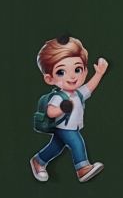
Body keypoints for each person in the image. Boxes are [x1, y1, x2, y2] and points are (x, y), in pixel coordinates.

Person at [29, 36, 109, 182]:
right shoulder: (59, 97)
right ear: (49, 79)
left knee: (56, 147)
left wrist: (99, 73)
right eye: (61, 72)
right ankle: (82, 168)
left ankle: (38, 161)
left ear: (85, 71)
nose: (72, 77)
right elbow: (50, 112)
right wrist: (63, 108)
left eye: (77, 69)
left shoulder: (78, 93)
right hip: (64, 128)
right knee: (77, 143)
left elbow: (90, 87)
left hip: (70, 127)